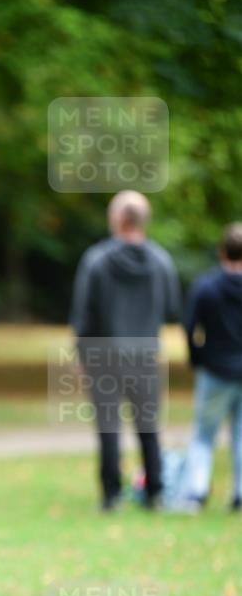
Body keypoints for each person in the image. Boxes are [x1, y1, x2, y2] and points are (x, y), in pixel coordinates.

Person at [70, 191, 181, 510]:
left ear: (118, 220)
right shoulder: (161, 261)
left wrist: (81, 356)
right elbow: (172, 308)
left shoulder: (96, 260)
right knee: (148, 426)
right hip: (145, 355)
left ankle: (111, 495)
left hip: (103, 356)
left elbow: (83, 314)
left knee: (108, 428)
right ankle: (155, 493)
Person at [178, 222, 242, 511]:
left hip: (215, 370)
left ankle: (197, 491)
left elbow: (190, 327)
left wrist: (197, 358)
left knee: (204, 433)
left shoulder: (206, 287)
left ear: (221, 252)